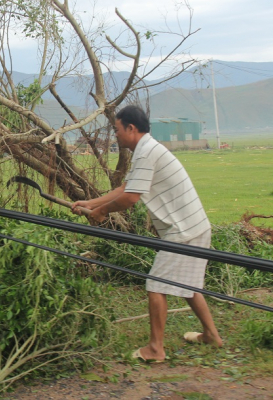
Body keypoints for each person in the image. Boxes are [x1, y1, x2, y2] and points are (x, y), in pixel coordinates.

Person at [71, 105, 223, 362]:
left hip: (182, 230)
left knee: (155, 285)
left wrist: (102, 212)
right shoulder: (148, 149)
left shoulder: (146, 152)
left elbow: (130, 198)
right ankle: (211, 336)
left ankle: (155, 349)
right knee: (189, 286)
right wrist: (92, 203)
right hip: (194, 226)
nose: (115, 136)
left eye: (117, 130)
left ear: (131, 128)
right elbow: (127, 187)